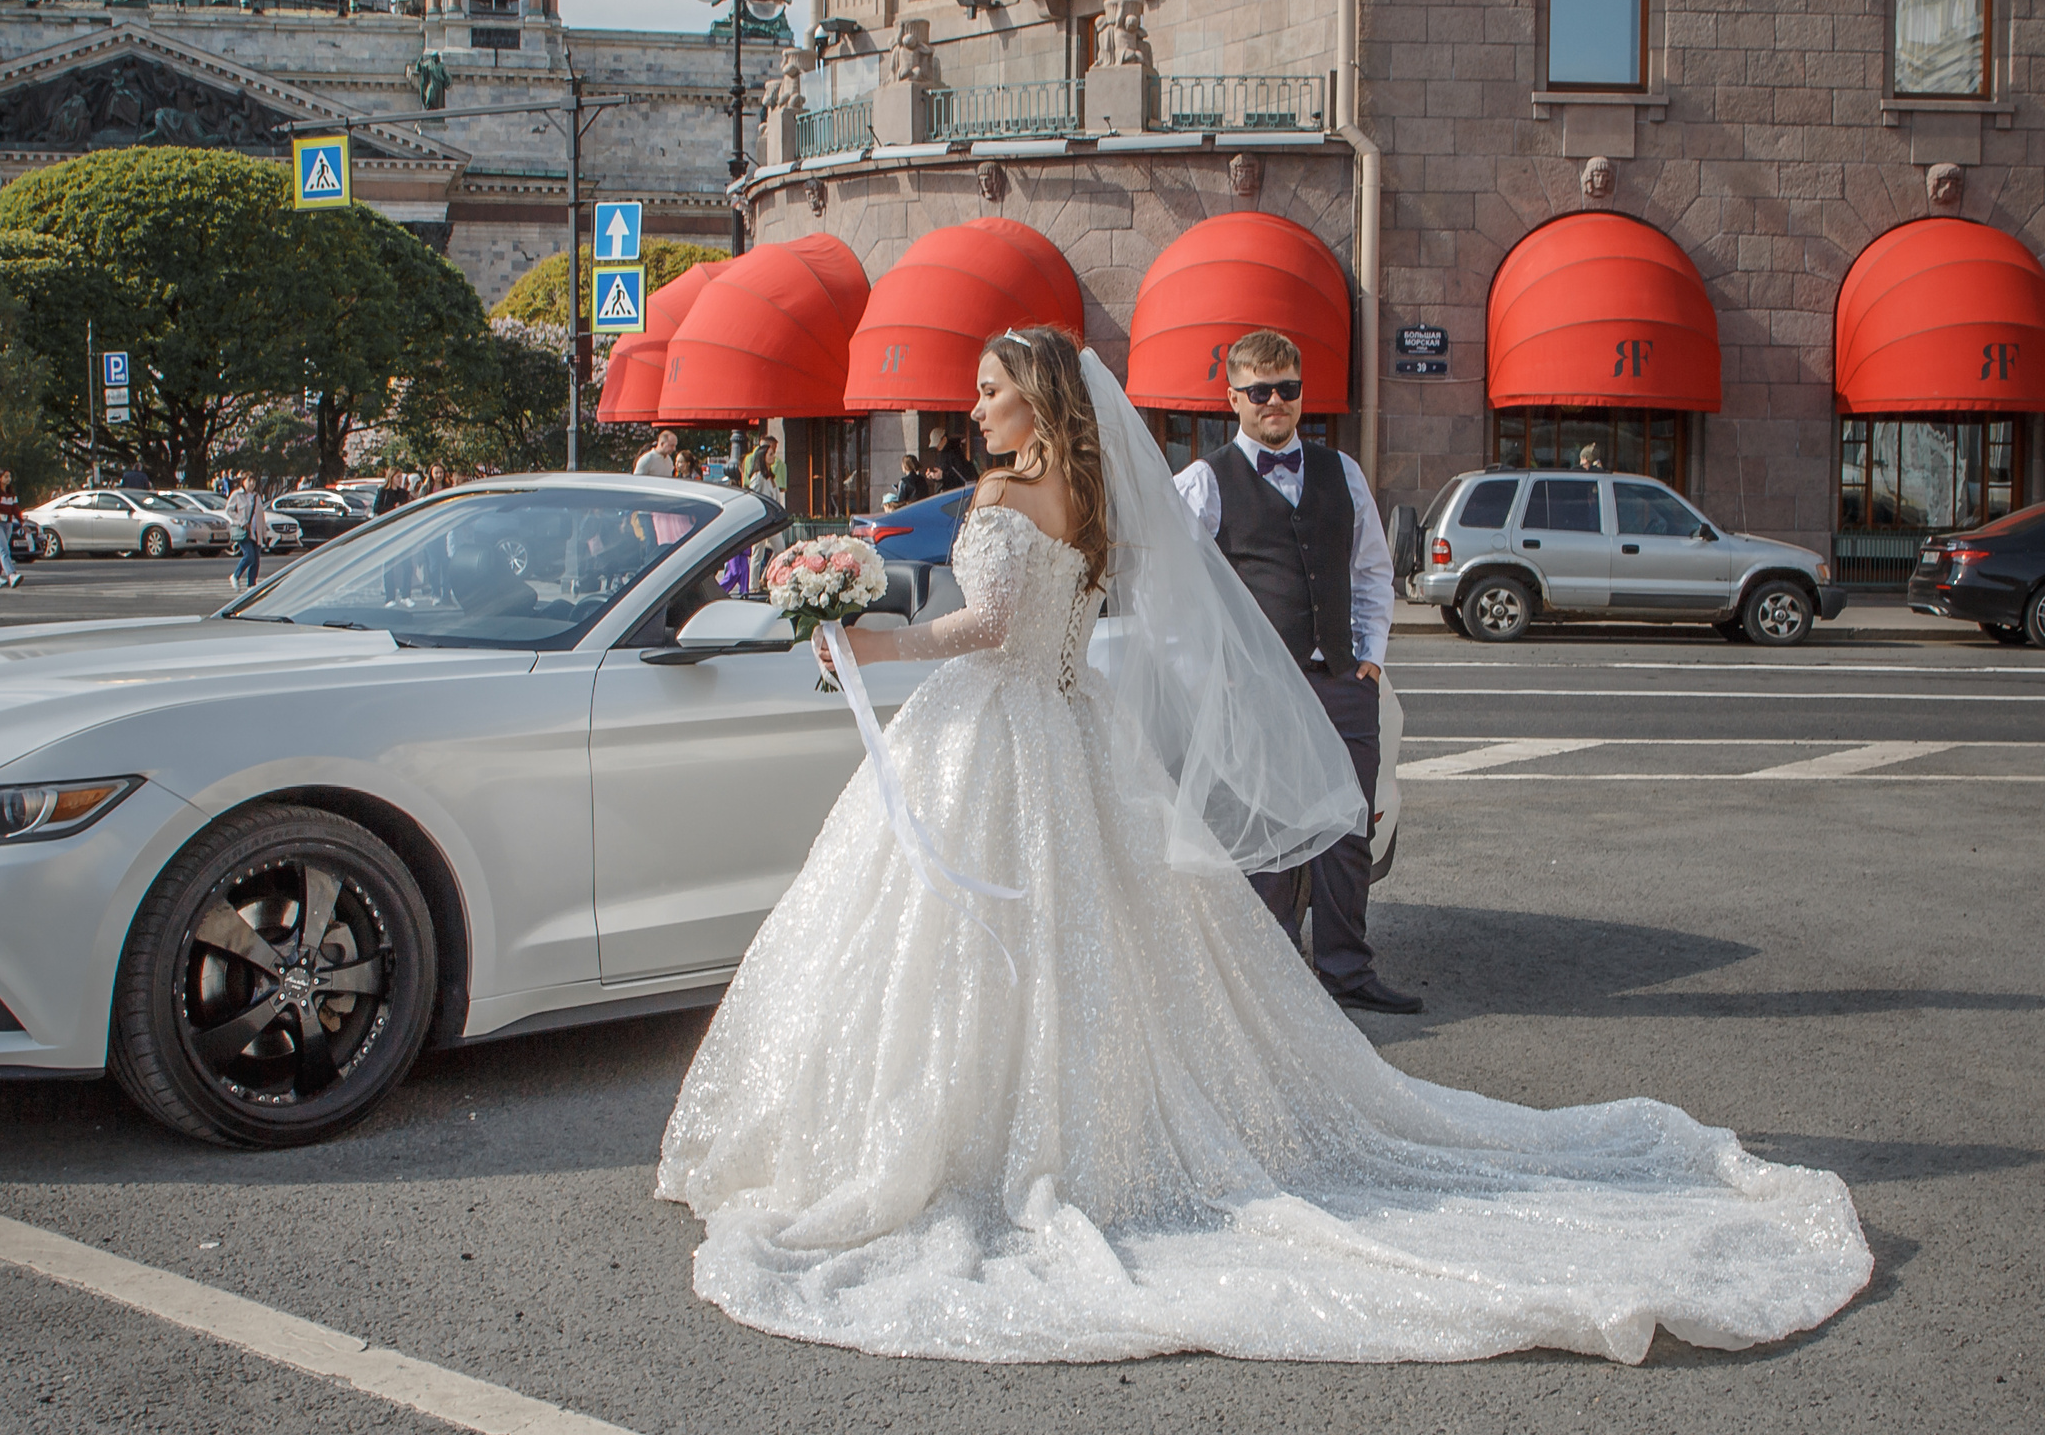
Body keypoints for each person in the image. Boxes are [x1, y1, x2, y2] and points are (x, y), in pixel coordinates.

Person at [656, 324, 1870, 1365]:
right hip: (1064, 733)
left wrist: (868, 638)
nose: (973, 405)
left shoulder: (1006, 495)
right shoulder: (1088, 495)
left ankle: (965, 1141)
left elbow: (986, 626)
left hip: (995, 732)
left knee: (962, 934)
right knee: (1075, 942)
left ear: (1038, 395)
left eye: (988, 386)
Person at [1174, 328, 1416, 1015]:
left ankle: (1347, 971)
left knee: (1348, 833)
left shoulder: (1343, 472)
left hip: (1342, 679)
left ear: (1302, 394)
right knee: (1271, 832)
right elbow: (1173, 585)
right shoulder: (1203, 480)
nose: (1275, 401)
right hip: (1258, 689)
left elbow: (1370, 568)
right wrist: (1210, 675)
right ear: (1233, 398)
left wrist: (1370, 655)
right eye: (1260, 391)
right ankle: (1273, 981)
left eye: (1287, 389)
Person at [223, 471, 266, 592]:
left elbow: (261, 516)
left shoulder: (256, 497)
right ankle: (235, 576)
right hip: (243, 532)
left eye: (253, 481)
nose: (251, 483)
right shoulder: (237, 495)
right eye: (249, 481)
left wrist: (264, 533)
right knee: (249, 555)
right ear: (243, 481)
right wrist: (242, 521)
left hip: (255, 532)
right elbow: (229, 511)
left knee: (256, 561)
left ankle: (251, 585)